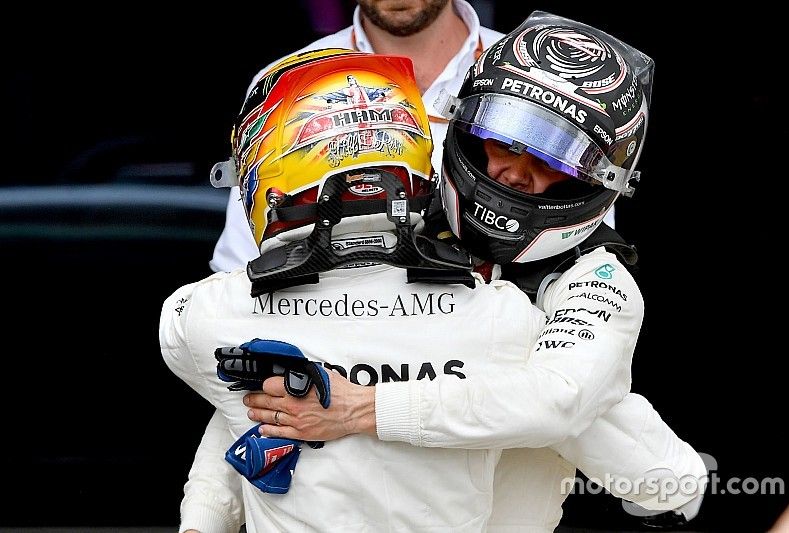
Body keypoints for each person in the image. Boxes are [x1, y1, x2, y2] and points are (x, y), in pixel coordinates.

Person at [172, 12, 706, 533]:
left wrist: (362, 407)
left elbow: (565, 407)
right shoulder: (394, 219)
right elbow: (268, 379)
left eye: (557, 162)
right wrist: (204, 517)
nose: (516, 173)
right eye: (507, 139)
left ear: (596, 181)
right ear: (464, 127)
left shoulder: (597, 282)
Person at [162, 48, 562, 532]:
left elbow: (231, 397)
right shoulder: (505, 315)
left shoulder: (205, 315)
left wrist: (200, 521)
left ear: (268, 174)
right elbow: (575, 408)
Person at [208, 0, 616, 274]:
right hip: (339, 351)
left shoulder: (549, 79)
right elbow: (242, 267)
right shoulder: (289, 82)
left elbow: (586, 251)